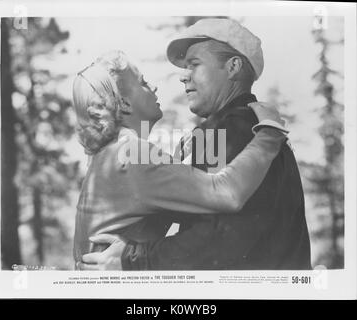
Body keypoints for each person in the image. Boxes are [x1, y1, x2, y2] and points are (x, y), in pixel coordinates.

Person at [81, 18, 311, 270]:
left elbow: (221, 240)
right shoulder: (255, 126)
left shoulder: (231, 128)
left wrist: (132, 259)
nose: (183, 76)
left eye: (194, 64)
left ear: (233, 66)